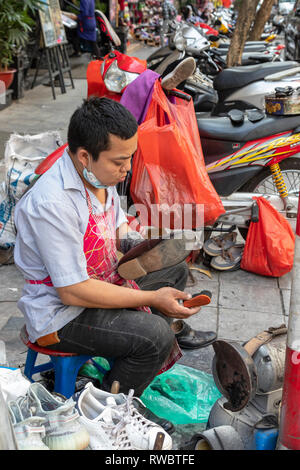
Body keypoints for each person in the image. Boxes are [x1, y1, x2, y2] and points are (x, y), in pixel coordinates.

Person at [14, 97, 216, 397]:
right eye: (119, 161)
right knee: (155, 335)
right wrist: (151, 297)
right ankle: (106, 403)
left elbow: (117, 227)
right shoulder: (52, 203)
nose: (127, 169)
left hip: (100, 280)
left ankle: (140, 360)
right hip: (62, 313)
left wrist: (146, 248)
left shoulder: (98, 175)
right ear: (85, 156)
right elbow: (73, 290)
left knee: (173, 269)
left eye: (130, 157)